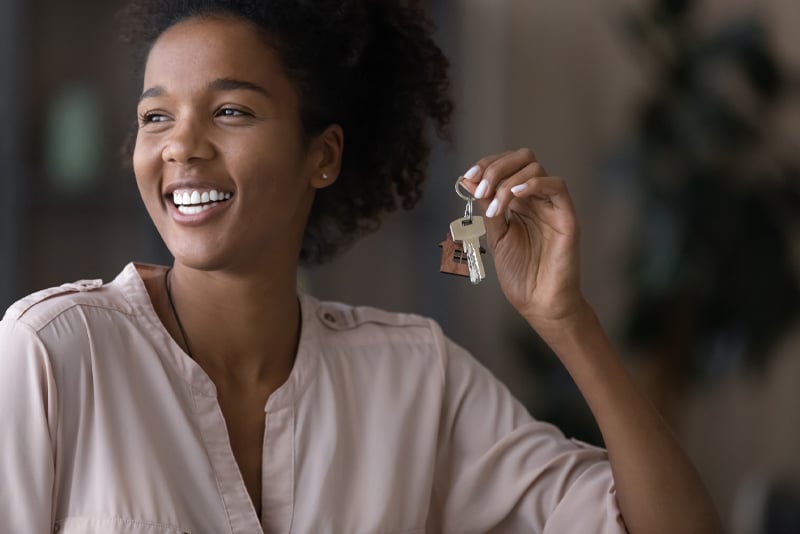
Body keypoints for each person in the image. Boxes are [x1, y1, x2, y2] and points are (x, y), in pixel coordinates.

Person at [0, 1, 724, 533]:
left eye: (231, 112)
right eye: (155, 117)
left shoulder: (413, 376)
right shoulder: (55, 351)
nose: (180, 147)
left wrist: (566, 320)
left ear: (324, 155)